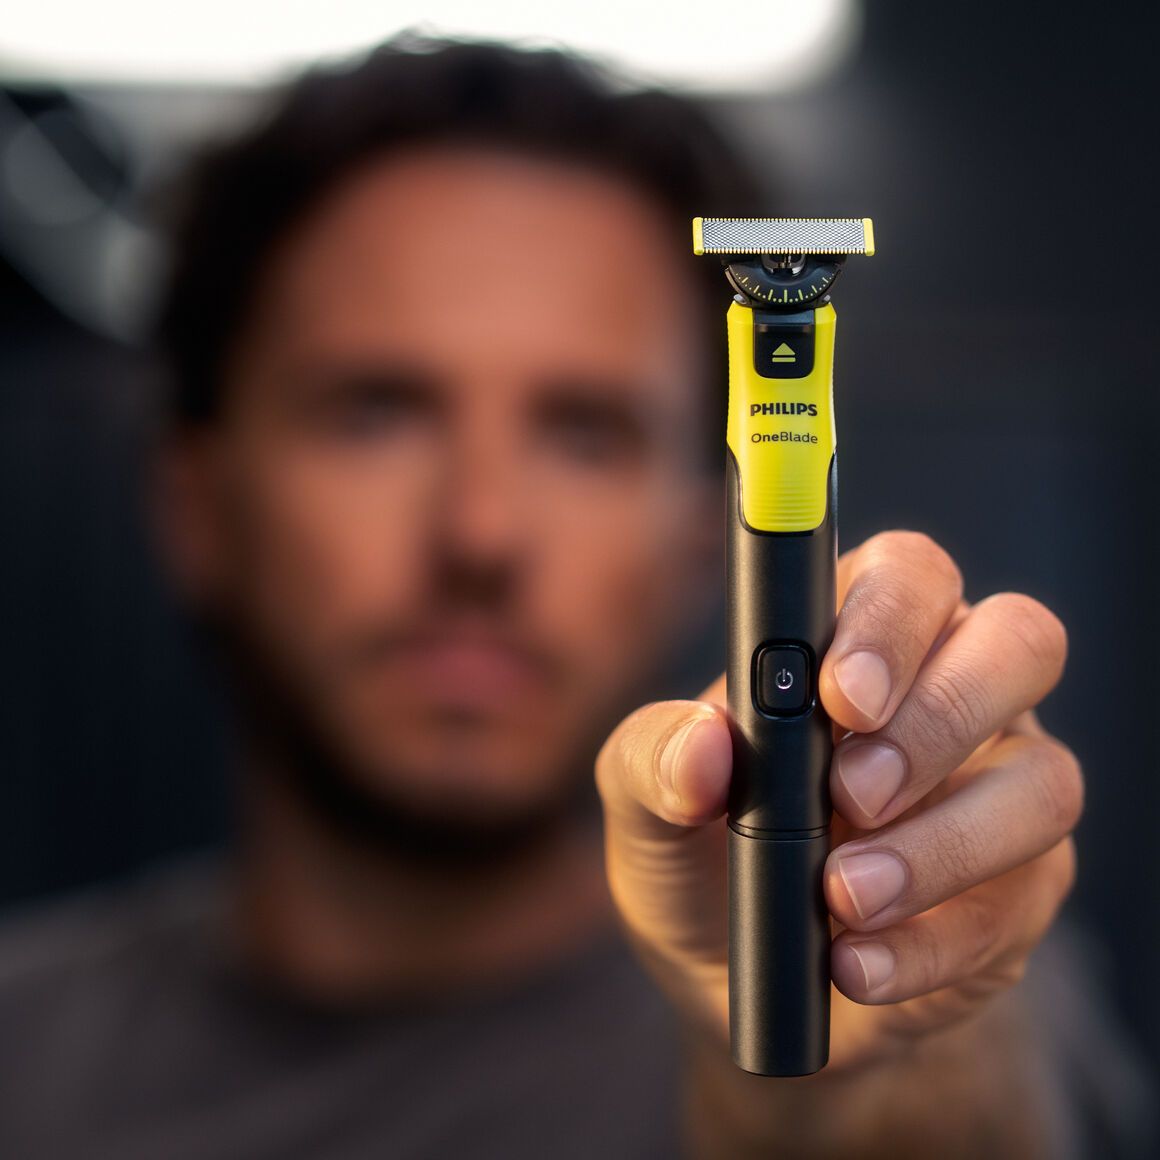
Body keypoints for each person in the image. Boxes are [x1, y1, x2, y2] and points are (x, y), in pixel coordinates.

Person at [0, 32, 1154, 1160]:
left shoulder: (925, 977)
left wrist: (864, 1097)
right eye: (374, 412)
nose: (481, 533)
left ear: (700, 538)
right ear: (195, 502)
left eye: (585, 434)